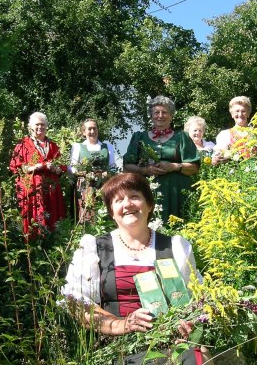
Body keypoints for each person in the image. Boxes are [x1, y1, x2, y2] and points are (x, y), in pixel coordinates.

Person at [61, 172, 205, 364]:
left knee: (196, 358)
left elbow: (197, 298)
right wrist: (121, 325)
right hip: (116, 347)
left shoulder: (176, 247)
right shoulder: (94, 248)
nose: (127, 204)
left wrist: (190, 321)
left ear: (149, 204)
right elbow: (76, 304)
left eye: (135, 197)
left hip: (172, 341)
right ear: (111, 211)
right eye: (118, 200)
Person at [123, 96, 199, 223]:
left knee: (180, 226)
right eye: (156, 112)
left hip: (177, 192)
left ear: (171, 116)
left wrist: (174, 166)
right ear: (151, 116)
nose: (160, 116)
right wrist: (146, 170)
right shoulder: (139, 137)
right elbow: (127, 167)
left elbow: (194, 168)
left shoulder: (182, 137)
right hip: (147, 190)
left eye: (165, 112)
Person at [9, 112, 67, 237]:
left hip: (51, 189)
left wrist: (55, 168)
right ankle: (34, 246)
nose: (40, 127)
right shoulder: (23, 145)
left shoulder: (52, 145)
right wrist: (33, 167)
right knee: (33, 218)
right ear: (30, 126)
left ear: (46, 127)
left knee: (52, 218)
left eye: (42, 125)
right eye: (37, 125)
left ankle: (52, 244)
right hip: (32, 187)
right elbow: (15, 168)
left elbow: (62, 169)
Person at [69, 118, 116, 222]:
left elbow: (113, 167)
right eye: (89, 129)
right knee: (87, 214)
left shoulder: (107, 146)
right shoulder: (77, 147)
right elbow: (72, 168)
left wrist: (104, 174)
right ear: (83, 132)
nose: (92, 131)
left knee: (104, 214)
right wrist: (85, 174)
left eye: (95, 128)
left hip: (104, 185)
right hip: (85, 186)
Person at [212, 96, 257, 164]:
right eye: (237, 111)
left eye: (243, 111)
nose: (240, 114)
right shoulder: (225, 135)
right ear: (232, 114)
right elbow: (219, 153)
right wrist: (217, 158)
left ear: (248, 114)